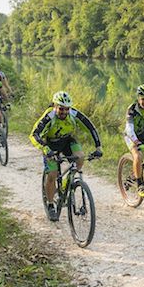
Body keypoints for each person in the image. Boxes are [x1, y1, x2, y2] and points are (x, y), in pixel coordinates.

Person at [30, 91, 103, 221]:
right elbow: (34, 135)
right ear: (54, 106)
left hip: (67, 141)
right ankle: (51, 204)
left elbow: (90, 127)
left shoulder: (73, 114)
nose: (64, 112)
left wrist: (98, 147)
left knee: (80, 157)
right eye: (61, 109)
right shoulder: (49, 116)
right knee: (52, 174)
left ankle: (66, 183)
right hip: (50, 145)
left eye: (67, 109)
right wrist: (45, 149)